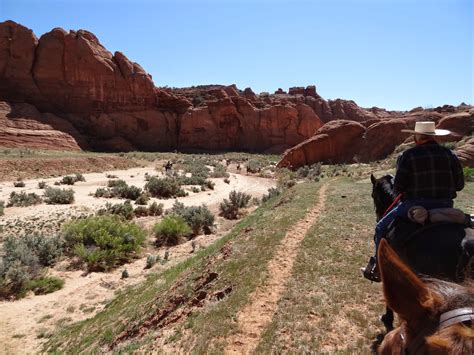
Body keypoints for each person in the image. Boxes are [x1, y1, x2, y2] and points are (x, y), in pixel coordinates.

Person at [362, 121, 465, 282]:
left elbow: (398, 188)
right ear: (433, 136)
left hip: (413, 206)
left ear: (417, 137)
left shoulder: (407, 156)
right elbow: (459, 185)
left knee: (380, 228)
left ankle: (378, 268)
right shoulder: (450, 154)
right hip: (446, 206)